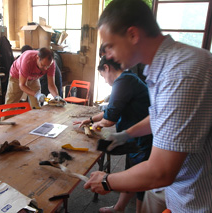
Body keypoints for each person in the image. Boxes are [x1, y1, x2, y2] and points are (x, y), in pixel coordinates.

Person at [84, 0, 212, 212]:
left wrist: (108, 181)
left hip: (197, 197)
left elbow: (161, 172)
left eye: (109, 46)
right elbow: (159, 116)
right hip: (179, 187)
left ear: (133, 35)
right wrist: (126, 134)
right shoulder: (162, 67)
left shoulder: (180, 74)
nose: (107, 56)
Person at [74, 56, 152, 213]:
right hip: (134, 137)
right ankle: (119, 208)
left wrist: (97, 125)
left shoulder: (123, 81)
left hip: (144, 139)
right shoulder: (128, 79)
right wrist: (90, 120)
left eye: (102, 75)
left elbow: (109, 121)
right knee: (131, 173)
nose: (104, 80)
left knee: (141, 181)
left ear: (107, 68)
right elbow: (109, 110)